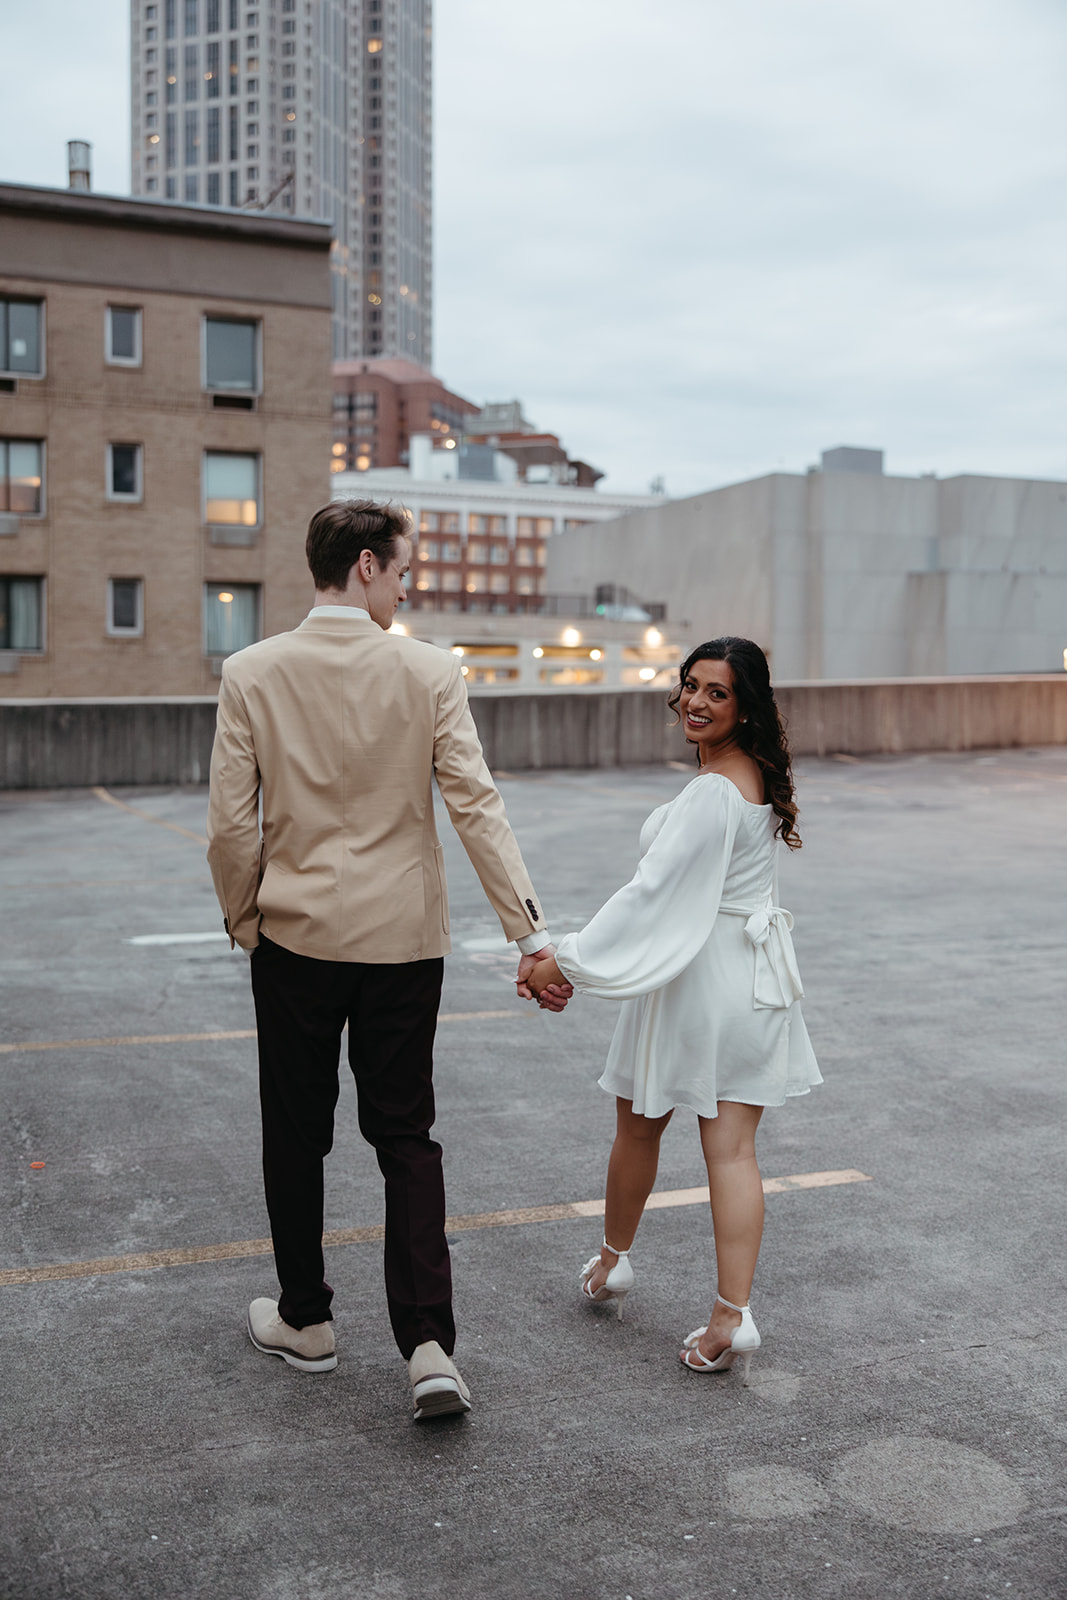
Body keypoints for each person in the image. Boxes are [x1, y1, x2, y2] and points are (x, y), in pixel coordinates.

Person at [206, 499, 560, 1421]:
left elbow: (230, 826)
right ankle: (429, 1348)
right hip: (404, 943)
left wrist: (247, 920)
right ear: (365, 565)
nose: (406, 588)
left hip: (296, 939)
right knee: (405, 1134)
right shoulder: (430, 671)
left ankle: (307, 1321)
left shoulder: (250, 672)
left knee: (296, 1131)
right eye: (401, 571)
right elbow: (475, 806)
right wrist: (528, 933)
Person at [525, 637, 820, 1382]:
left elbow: (648, 898)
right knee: (729, 1151)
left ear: (744, 705)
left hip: (699, 981)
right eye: (690, 686)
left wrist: (563, 958)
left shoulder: (713, 791)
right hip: (751, 982)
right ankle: (725, 1310)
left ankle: (618, 1263)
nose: (694, 701)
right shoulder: (748, 777)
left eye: (716, 692)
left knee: (639, 1125)